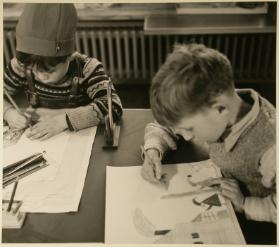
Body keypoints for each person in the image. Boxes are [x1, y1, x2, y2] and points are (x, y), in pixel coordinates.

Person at [141, 43, 276, 243]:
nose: (186, 137)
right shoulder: (214, 105)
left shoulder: (271, 147)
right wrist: (153, 148)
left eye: (190, 130)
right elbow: (170, 124)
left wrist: (245, 203)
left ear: (220, 109)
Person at [3, 3, 123, 140]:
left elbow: (113, 106)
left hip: (80, 139)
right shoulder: (21, 66)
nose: (41, 76)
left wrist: (63, 120)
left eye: (50, 71)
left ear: (70, 57)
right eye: (34, 71)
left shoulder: (87, 69)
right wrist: (7, 112)